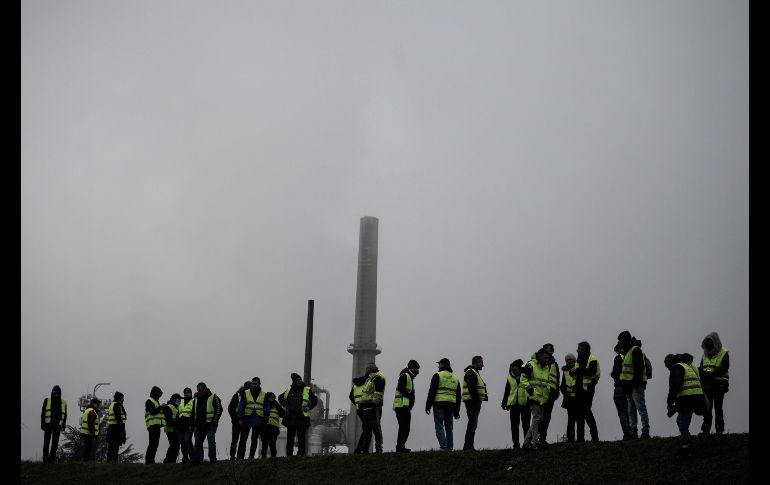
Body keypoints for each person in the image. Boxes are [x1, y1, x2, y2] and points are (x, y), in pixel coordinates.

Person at [664, 353, 705, 456]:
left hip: (687, 398)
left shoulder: (676, 367)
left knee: (683, 423)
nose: (668, 369)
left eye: (667, 366)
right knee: (680, 420)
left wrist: (669, 403)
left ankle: (686, 448)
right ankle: (687, 438)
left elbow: (674, 387)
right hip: (697, 397)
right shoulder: (691, 366)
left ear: (669, 363)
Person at [618, 331, 650, 439]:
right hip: (629, 386)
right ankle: (633, 432)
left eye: (621, 340)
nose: (620, 342)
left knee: (640, 408)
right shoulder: (628, 351)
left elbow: (639, 368)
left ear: (627, 340)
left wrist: (634, 384)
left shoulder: (635, 350)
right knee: (631, 411)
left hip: (636, 385)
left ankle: (645, 431)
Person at [425, 358, 461, 451]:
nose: (438, 366)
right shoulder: (455, 378)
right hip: (451, 406)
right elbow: (458, 396)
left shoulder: (437, 375)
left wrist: (428, 406)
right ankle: (450, 447)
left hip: (439, 404)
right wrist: (457, 411)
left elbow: (432, 391)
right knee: (449, 427)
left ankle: (444, 446)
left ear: (443, 365)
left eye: (439, 364)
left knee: (439, 426)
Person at [279, 373, 318, 456]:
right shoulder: (289, 389)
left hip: (302, 418)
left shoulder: (306, 389)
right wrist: (285, 405)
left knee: (301, 437)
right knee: (290, 437)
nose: (299, 381)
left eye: (300, 379)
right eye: (297, 380)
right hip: (291, 418)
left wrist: (309, 407)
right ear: (294, 381)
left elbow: (315, 400)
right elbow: (280, 397)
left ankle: (300, 454)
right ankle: (289, 454)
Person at [699, 332, 730, 435]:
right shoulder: (704, 355)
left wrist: (711, 374)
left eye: (710, 341)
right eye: (706, 341)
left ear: (715, 342)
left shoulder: (723, 352)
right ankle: (706, 429)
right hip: (707, 385)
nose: (708, 343)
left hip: (719, 384)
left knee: (718, 407)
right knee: (707, 407)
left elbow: (725, 366)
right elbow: (701, 368)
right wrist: (703, 377)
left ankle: (719, 429)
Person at [521, 348, 551, 450]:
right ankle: (535, 443)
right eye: (545, 357)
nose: (546, 360)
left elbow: (546, 382)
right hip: (533, 396)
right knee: (537, 418)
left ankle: (526, 443)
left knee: (537, 419)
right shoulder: (530, 364)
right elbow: (523, 378)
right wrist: (530, 389)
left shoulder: (546, 367)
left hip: (542, 397)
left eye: (548, 358)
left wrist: (548, 393)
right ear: (538, 356)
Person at [355, 362, 387, 453]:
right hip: (366, 407)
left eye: (367, 369)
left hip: (373, 408)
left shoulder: (378, 378)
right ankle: (365, 449)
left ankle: (378, 448)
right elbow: (365, 393)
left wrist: (374, 404)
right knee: (366, 429)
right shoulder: (369, 379)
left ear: (370, 369)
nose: (366, 371)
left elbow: (378, 393)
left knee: (376, 428)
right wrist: (362, 404)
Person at [573, 341, 600, 442]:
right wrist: (573, 372)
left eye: (579, 348)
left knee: (587, 412)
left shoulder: (592, 358)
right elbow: (576, 373)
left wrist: (578, 370)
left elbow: (591, 371)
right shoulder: (578, 360)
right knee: (579, 414)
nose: (577, 350)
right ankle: (580, 439)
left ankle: (595, 436)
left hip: (588, 390)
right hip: (579, 390)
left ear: (584, 349)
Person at [191, 382, 223, 464]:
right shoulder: (196, 399)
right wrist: (192, 424)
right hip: (199, 426)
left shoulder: (213, 397)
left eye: (200, 390)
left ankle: (212, 459)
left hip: (210, 425)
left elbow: (219, 410)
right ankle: (196, 460)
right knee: (198, 442)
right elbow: (192, 412)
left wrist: (215, 421)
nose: (199, 392)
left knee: (210, 440)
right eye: (198, 390)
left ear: (205, 389)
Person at [237, 377, 269, 459]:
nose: (254, 385)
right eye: (252, 384)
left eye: (255, 384)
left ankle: (251, 456)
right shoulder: (246, 393)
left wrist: (265, 419)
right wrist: (240, 418)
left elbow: (266, 408)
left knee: (254, 440)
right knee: (243, 439)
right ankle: (240, 457)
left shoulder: (264, 394)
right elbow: (241, 406)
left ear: (259, 384)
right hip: (246, 419)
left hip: (258, 420)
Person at [501, 359, 530, 449]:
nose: (514, 370)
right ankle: (516, 444)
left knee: (526, 425)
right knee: (514, 426)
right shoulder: (509, 377)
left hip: (525, 403)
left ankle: (527, 443)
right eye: (512, 368)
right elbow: (507, 391)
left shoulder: (526, 376)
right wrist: (504, 402)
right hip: (513, 404)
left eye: (516, 368)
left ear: (520, 368)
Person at [392, 360, 420, 452]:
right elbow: (401, 388)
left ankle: (400, 446)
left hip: (404, 406)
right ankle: (399, 447)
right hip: (402, 406)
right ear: (413, 368)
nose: (418, 371)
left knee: (404, 428)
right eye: (417, 369)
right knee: (404, 427)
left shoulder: (408, 376)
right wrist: (410, 396)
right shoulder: (405, 376)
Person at [462, 355, 488, 451]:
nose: (483, 365)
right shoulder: (471, 372)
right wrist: (476, 399)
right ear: (476, 363)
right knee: (472, 423)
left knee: (473, 423)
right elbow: (471, 386)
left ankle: (469, 446)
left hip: (473, 401)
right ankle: (468, 446)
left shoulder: (474, 372)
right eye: (481, 362)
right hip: (472, 401)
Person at [538, 343, 560, 444]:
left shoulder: (555, 364)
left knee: (547, 416)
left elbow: (557, 378)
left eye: (551, 349)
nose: (549, 351)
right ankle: (534, 438)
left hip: (551, 393)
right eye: (547, 349)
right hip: (540, 393)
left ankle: (542, 438)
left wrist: (556, 392)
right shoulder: (539, 362)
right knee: (538, 417)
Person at [610, 343, 632, 440]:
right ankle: (633, 432)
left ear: (619, 350)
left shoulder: (619, 358)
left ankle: (627, 434)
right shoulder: (631, 357)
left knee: (622, 412)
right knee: (629, 411)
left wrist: (612, 373)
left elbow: (615, 372)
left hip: (620, 387)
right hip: (630, 387)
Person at [41, 385, 67, 463]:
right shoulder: (47, 400)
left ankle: (52, 458)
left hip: (57, 424)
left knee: (55, 443)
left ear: (60, 393)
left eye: (57, 393)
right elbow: (43, 413)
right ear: (52, 392)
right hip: (48, 424)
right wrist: (42, 423)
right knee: (46, 442)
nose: (56, 394)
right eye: (55, 393)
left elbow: (65, 414)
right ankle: (45, 458)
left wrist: (64, 424)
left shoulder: (63, 402)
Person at [144, 386, 166, 464]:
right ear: (155, 393)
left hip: (156, 425)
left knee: (155, 444)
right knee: (152, 443)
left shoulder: (155, 401)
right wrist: (161, 407)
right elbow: (153, 412)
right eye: (159, 394)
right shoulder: (149, 401)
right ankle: (149, 460)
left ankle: (151, 460)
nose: (159, 396)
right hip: (152, 425)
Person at [228, 382, 250, 460]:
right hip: (237, 421)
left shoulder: (250, 396)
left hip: (246, 421)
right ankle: (233, 456)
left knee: (243, 440)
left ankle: (240, 456)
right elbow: (230, 408)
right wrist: (236, 419)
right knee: (236, 439)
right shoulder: (237, 396)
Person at [560, 354, 578, 442]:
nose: (569, 361)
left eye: (570, 359)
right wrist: (566, 393)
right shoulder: (565, 371)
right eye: (567, 360)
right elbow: (562, 385)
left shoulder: (578, 368)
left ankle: (580, 438)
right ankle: (570, 438)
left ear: (574, 360)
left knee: (579, 418)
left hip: (578, 397)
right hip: (569, 398)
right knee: (571, 419)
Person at [262, 392, 284, 458]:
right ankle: (263, 458)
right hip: (265, 427)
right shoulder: (264, 405)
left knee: (272, 444)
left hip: (274, 428)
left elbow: (283, 413)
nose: (273, 399)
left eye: (274, 398)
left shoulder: (276, 406)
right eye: (272, 397)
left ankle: (273, 458)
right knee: (265, 444)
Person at [106, 391, 127, 462]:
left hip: (111, 428)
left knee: (111, 447)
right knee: (115, 447)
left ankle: (109, 461)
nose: (123, 400)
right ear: (119, 398)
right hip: (116, 429)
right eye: (122, 398)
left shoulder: (112, 405)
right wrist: (122, 432)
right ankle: (113, 461)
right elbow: (119, 418)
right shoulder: (117, 405)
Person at [177, 387, 194, 463]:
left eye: (188, 392)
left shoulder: (194, 401)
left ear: (191, 393)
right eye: (185, 392)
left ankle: (192, 458)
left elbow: (193, 414)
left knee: (187, 441)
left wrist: (192, 425)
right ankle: (185, 459)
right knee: (182, 443)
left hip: (189, 425)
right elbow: (178, 413)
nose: (186, 394)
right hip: (180, 426)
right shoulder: (181, 402)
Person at [162, 393, 181, 463]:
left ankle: (171, 461)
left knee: (175, 445)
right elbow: (168, 419)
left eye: (180, 400)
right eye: (178, 400)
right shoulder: (169, 407)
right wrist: (176, 425)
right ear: (174, 399)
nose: (179, 401)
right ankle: (168, 460)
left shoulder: (176, 407)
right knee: (174, 445)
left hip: (174, 429)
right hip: (170, 429)